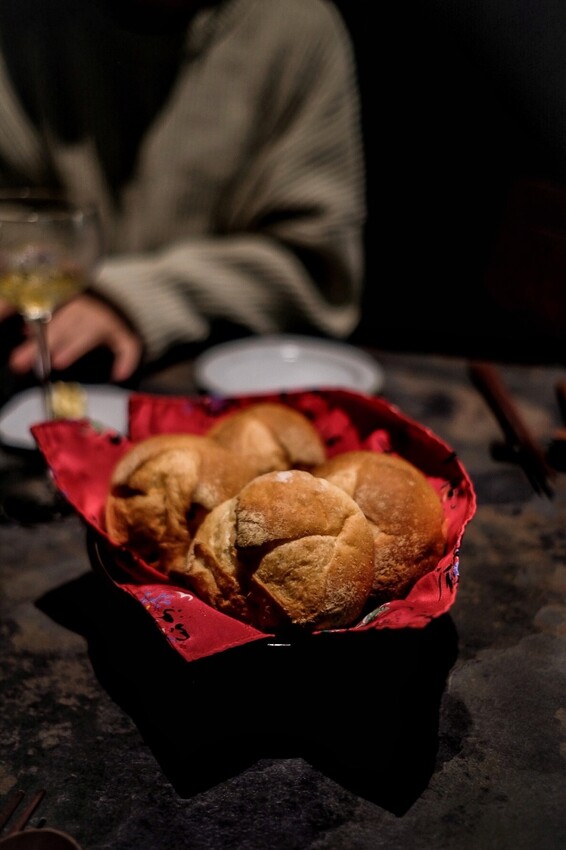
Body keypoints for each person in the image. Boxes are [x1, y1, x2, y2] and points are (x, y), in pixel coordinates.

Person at [0, 0, 365, 384]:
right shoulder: (22, 23)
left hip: (236, 371)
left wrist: (129, 298)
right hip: (49, 363)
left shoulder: (295, 26)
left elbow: (319, 270)